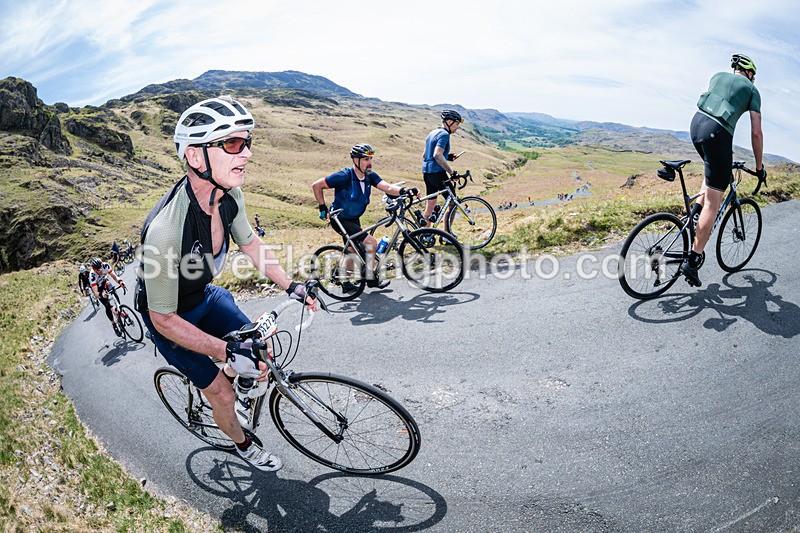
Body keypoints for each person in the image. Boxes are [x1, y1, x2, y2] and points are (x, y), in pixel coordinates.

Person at [136, 95, 317, 472]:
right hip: (171, 320)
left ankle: (242, 380)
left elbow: (251, 244)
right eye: (233, 144)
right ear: (196, 157)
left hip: (202, 295)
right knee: (219, 390)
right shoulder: (166, 233)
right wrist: (222, 352)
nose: (246, 153)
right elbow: (164, 319)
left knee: (257, 344)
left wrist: (291, 286)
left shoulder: (231, 196)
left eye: (247, 142)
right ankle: (244, 444)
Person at [681, 53, 766, 287]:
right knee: (714, 202)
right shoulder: (752, 90)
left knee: (713, 176)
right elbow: (756, 133)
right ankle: (693, 258)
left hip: (696, 125)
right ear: (749, 73)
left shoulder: (717, 76)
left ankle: (694, 216)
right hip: (718, 133)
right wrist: (759, 168)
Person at [311, 143, 418, 292]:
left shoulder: (370, 176)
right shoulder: (344, 176)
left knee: (352, 250)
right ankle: (370, 279)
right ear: (356, 160)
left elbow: (387, 187)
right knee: (371, 243)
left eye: (371, 159)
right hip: (340, 219)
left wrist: (404, 191)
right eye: (366, 159)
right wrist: (322, 207)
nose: (370, 163)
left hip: (354, 218)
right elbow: (316, 185)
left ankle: (344, 280)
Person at [421, 109, 463, 225]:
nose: (457, 127)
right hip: (438, 173)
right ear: (449, 122)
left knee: (430, 205)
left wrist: (447, 157)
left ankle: (424, 234)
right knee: (453, 202)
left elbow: (425, 155)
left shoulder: (432, 133)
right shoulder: (444, 134)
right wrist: (451, 172)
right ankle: (447, 235)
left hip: (427, 173)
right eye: (456, 124)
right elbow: (437, 154)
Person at [89, 257, 126, 336]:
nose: (101, 270)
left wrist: (120, 282)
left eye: (101, 267)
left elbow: (114, 276)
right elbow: (95, 293)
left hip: (105, 282)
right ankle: (113, 324)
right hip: (98, 289)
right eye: (99, 270)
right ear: (95, 270)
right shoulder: (92, 275)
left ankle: (119, 309)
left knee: (113, 290)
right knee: (107, 306)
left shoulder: (105, 265)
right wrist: (102, 294)